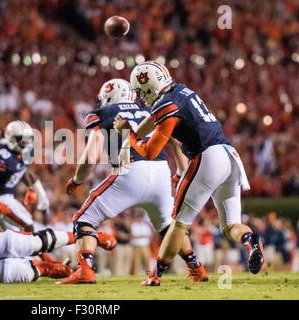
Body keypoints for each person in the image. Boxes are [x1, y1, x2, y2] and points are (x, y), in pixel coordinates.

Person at [114, 61, 264, 286]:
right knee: (230, 226)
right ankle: (249, 239)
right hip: (230, 155)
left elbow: (151, 150)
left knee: (179, 224)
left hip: (207, 157)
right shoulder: (181, 90)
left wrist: (129, 134)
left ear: (149, 87)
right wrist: (134, 128)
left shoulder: (165, 105)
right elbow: (152, 122)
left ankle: (155, 275)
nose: (139, 96)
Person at [60, 79, 207, 284]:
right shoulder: (148, 109)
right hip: (161, 171)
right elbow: (174, 141)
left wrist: (77, 179)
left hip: (130, 170)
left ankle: (85, 270)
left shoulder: (101, 113)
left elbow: (92, 155)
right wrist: (181, 172)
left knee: (84, 218)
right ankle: (197, 269)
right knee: (168, 226)